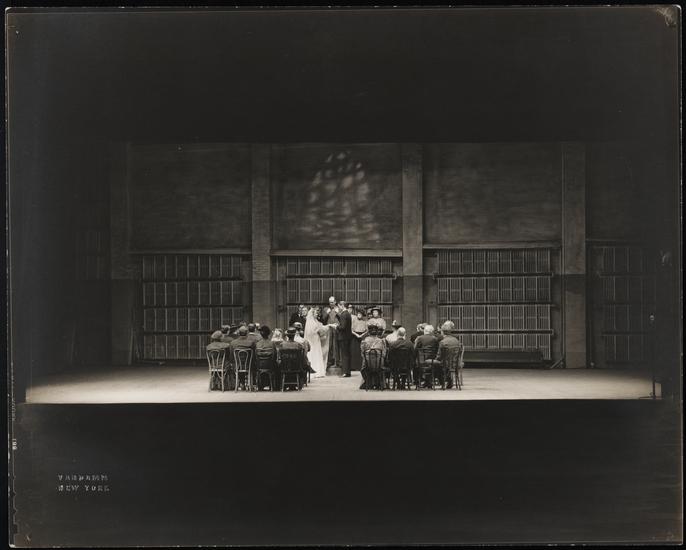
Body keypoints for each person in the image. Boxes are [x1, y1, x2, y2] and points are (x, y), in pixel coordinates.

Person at [436, 321, 463, 389]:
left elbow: (439, 356)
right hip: (456, 363)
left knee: (436, 365)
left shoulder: (442, 342)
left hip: (446, 364)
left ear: (442, 332)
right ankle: (449, 381)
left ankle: (442, 383)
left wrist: (435, 360)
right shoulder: (456, 341)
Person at [359, 325, 387, 390]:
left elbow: (362, 354)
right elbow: (384, 354)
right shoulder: (382, 341)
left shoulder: (364, 341)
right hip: (379, 365)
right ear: (377, 332)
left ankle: (368, 382)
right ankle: (379, 383)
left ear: (368, 332)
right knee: (382, 366)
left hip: (367, 365)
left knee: (364, 368)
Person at [304, 308, 328, 378]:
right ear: (312, 314)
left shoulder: (314, 321)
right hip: (314, 340)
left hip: (315, 340)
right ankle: (316, 371)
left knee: (315, 353)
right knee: (314, 353)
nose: (317, 314)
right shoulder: (312, 322)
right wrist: (324, 330)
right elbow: (318, 330)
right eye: (316, 313)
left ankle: (316, 370)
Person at [255, 325, 278, 390]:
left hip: (259, 366)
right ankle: (274, 386)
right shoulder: (272, 344)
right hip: (270, 365)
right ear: (268, 334)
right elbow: (275, 356)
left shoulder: (257, 344)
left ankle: (261, 385)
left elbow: (255, 356)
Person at [336, 300, 353, 377]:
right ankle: (348, 372)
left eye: (339, 306)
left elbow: (342, 327)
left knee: (344, 355)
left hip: (343, 337)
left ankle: (345, 372)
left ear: (342, 306)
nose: (338, 308)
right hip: (348, 337)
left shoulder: (343, 314)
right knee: (347, 354)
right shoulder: (348, 314)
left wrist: (336, 326)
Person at [322, 296, 339, 367]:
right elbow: (323, 319)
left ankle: (337, 362)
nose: (331, 304)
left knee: (336, 345)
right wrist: (327, 313)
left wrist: (338, 313)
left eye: (332, 302)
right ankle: (329, 361)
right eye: (330, 302)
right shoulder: (326, 309)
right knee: (329, 345)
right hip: (329, 329)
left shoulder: (338, 309)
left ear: (335, 302)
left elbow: (342, 318)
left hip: (336, 329)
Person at [350, 307, 367, 372]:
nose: (359, 315)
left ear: (362, 315)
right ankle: (353, 367)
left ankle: (360, 366)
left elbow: (367, 330)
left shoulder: (364, 321)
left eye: (360, 314)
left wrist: (362, 335)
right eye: (358, 314)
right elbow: (351, 330)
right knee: (354, 351)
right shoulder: (354, 320)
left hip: (361, 337)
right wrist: (356, 335)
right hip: (354, 336)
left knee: (361, 352)